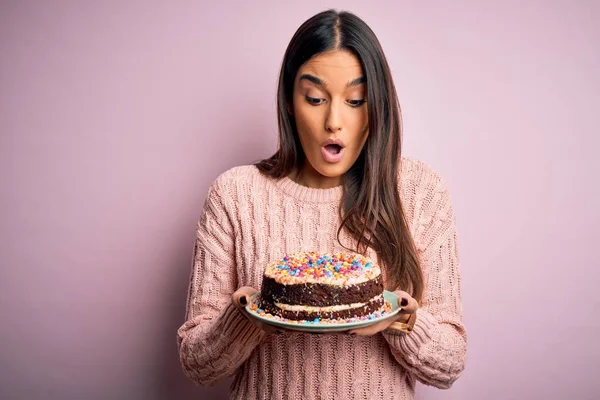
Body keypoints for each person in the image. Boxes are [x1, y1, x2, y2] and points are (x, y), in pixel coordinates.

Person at [177, 9, 467, 400]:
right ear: (290, 102)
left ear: (376, 105)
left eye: (355, 100)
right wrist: (248, 316)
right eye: (315, 98)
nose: (334, 120)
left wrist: (400, 320)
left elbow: (449, 364)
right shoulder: (235, 195)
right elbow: (197, 364)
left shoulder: (419, 191)